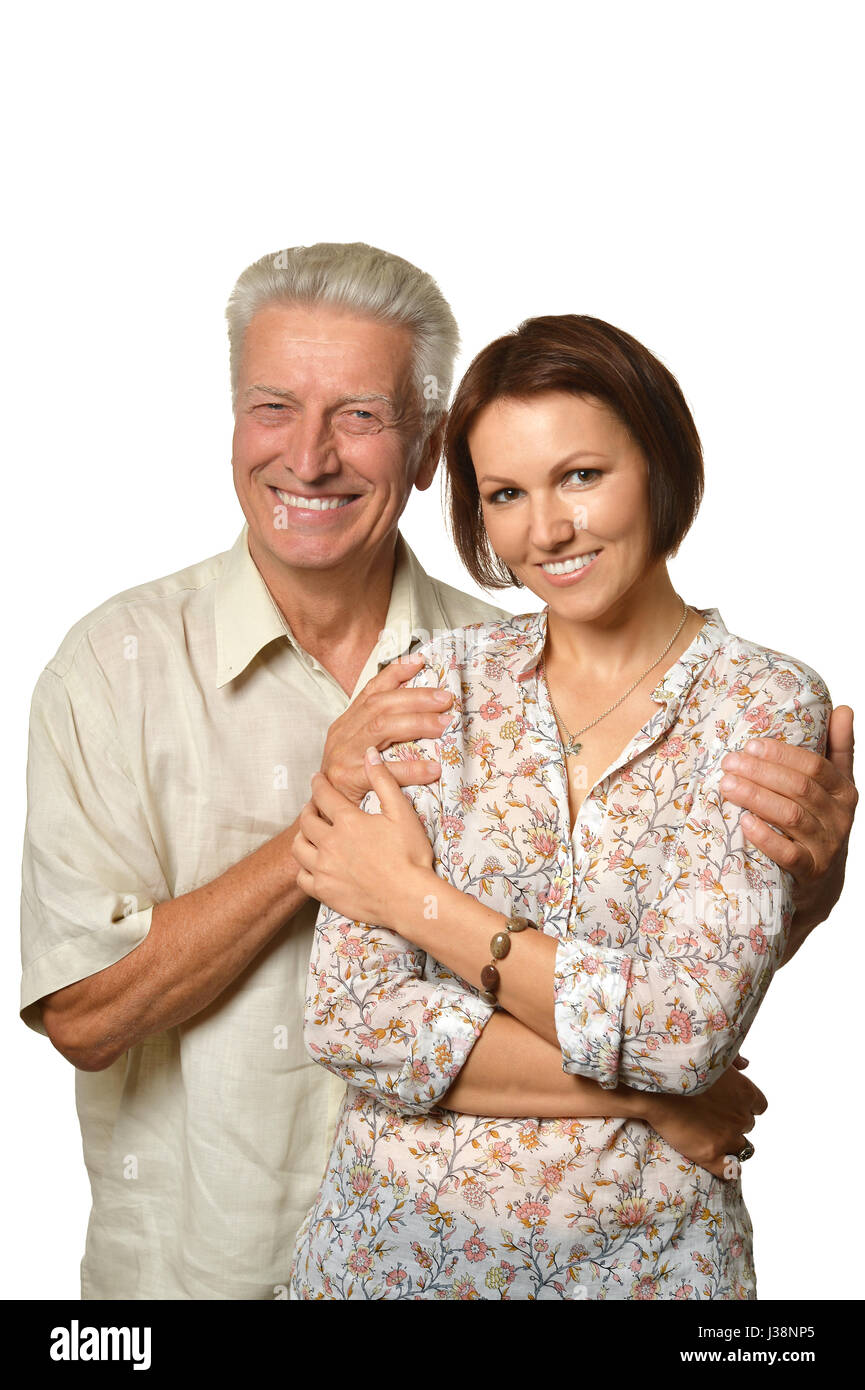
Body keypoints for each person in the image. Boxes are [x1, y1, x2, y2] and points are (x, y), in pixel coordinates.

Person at [19, 248, 855, 1301]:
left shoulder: (509, 661)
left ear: (423, 456)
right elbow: (97, 1015)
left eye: (360, 415)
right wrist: (637, 1092)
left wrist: (800, 894)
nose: (310, 456)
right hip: (214, 1271)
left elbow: (677, 1003)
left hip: (601, 1263)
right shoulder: (114, 665)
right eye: (273, 405)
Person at [288, 314, 841, 1300]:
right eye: (506, 494)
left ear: (660, 464)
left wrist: (415, 901)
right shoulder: (428, 685)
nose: (546, 530)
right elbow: (351, 1017)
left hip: (643, 1273)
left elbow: (688, 1029)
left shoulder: (760, 705)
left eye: (580, 476)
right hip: (388, 1263)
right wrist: (648, 1098)